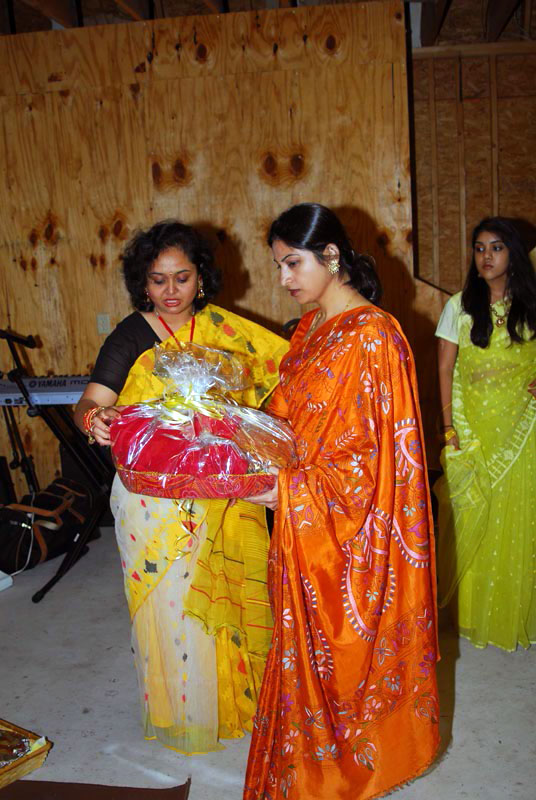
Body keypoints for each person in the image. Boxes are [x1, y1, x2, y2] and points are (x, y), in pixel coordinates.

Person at [243, 204, 440, 800]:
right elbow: (286, 416)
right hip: (303, 516)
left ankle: (343, 770)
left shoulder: (374, 335)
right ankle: (306, 762)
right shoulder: (310, 328)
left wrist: (286, 488)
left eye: (292, 263)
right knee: (301, 651)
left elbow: (369, 464)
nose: (284, 278)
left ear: (331, 256)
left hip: (348, 528)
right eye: (278, 265)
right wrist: (230, 432)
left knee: (347, 654)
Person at [74, 220, 289, 753]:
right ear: (142, 283)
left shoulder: (227, 332)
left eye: (182, 277)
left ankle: (228, 704)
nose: (170, 291)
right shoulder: (131, 335)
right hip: (150, 499)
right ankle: (180, 713)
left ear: (201, 277)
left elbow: (287, 377)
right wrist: (94, 419)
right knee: (166, 606)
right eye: (158, 279)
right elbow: (91, 399)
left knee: (223, 598)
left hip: (219, 494)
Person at [435, 216, 536, 651]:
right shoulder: (459, 306)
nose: (486, 257)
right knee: (472, 517)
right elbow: (445, 368)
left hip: (522, 429)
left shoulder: (531, 304)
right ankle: (472, 614)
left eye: (496, 247)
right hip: (471, 427)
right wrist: (448, 428)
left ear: (514, 254)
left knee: (518, 518)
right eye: (479, 248)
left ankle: (514, 612)